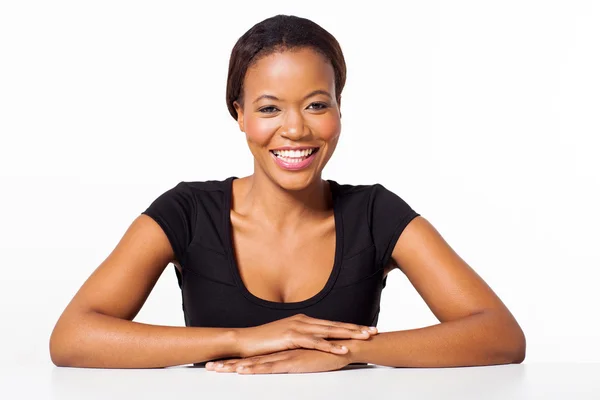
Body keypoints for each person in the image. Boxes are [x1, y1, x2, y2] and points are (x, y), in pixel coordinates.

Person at [49, 14, 526, 374]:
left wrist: (342, 352)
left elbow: (501, 336)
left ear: (340, 108)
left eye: (317, 105)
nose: (295, 129)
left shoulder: (376, 213)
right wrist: (243, 340)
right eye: (269, 108)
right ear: (239, 114)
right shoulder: (187, 212)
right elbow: (72, 338)